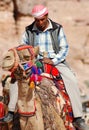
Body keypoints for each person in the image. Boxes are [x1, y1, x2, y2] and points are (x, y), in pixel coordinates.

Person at [1, 4, 89, 130]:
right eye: (37, 20)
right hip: (34, 62)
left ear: (47, 16)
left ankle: (78, 118)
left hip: (55, 61)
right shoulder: (28, 30)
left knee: (71, 80)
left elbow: (65, 48)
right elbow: (22, 48)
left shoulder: (57, 29)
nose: (40, 23)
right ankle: (10, 112)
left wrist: (54, 60)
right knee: (16, 79)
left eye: (42, 19)